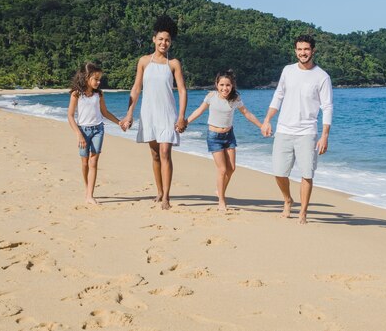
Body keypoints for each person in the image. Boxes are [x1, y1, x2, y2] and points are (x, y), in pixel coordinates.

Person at [260, 35, 333, 224]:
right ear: (295, 51)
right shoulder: (288, 70)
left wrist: (325, 135)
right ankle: (287, 199)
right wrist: (267, 120)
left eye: (306, 49)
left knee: (307, 174)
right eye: (300, 49)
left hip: (307, 132)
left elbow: (327, 107)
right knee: (279, 172)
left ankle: (303, 213)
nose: (303, 53)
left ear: (313, 50)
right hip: (284, 129)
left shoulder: (322, 76)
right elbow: (278, 95)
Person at [120, 15, 187, 210]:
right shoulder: (143, 61)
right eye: (160, 39)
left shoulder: (173, 63)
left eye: (167, 40)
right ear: (154, 39)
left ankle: (166, 196)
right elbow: (136, 88)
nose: (163, 43)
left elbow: (182, 90)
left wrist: (181, 116)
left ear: (170, 42)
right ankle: (159, 191)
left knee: (165, 152)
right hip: (149, 113)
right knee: (155, 154)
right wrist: (129, 113)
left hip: (167, 114)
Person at [186, 70, 263, 211]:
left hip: (229, 135)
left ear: (232, 85)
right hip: (214, 136)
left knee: (231, 168)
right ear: (216, 84)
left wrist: (261, 126)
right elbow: (199, 111)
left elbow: (247, 113)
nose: (224, 88)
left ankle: (219, 191)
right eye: (221, 84)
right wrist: (186, 122)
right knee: (222, 169)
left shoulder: (235, 99)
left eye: (228, 85)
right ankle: (222, 201)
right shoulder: (211, 96)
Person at [67, 62, 124, 205]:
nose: (99, 82)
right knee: (85, 163)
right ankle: (87, 188)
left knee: (93, 162)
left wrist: (119, 122)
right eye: (96, 79)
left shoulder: (99, 94)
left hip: (98, 129)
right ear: (87, 77)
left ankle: (89, 195)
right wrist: (79, 134)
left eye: (100, 79)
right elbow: (70, 116)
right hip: (83, 131)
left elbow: (104, 113)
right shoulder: (76, 94)